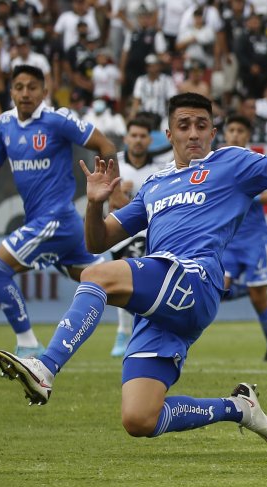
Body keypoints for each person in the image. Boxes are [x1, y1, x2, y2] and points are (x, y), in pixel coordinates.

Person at [0, 86, 267, 444]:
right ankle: (239, 408)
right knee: (139, 419)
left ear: (213, 132)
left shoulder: (231, 163)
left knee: (97, 275)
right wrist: (93, 203)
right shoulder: (155, 185)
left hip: (195, 280)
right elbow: (98, 241)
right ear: (168, 133)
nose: (193, 133)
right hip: (164, 302)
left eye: (202, 125)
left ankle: (45, 367)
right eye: (184, 125)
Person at [0, 65, 119, 358]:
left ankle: (28, 345)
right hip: (55, 225)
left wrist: (117, 191)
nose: (25, 93)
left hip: (55, 220)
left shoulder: (56, 120)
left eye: (32, 87)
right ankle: (154, 317)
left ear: (44, 92)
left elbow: (105, 144)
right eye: (19, 87)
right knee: (106, 280)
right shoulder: (3, 125)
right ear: (10, 92)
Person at [219, 115, 267, 361]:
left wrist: (247, 194)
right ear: (225, 134)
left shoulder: (255, 162)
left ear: (247, 136)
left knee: (260, 300)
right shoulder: (217, 163)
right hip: (228, 242)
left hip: (255, 241)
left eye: (240, 130)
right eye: (231, 129)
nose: (235, 134)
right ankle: (248, 290)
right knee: (216, 291)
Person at [108, 117, 160, 357]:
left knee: (139, 286)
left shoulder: (160, 170)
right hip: (121, 234)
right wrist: (117, 195)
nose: (138, 141)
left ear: (149, 140)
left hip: (150, 235)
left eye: (143, 136)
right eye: (134, 136)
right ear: (126, 138)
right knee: (126, 276)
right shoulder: (114, 166)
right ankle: (123, 331)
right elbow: (103, 203)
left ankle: (130, 332)